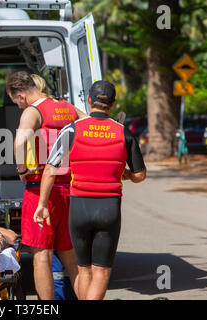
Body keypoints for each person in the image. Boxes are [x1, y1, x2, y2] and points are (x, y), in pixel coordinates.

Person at [34, 80, 147, 300]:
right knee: (101, 271)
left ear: (88, 100)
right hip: (109, 209)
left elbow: (50, 168)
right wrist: (124, 174)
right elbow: (140, 175)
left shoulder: (72, 129)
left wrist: (42, 205)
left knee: (83, 269)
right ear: (113, 104)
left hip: (79, 208)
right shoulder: (123, 133)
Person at [6, 71, 80, 300]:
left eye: (15, 102)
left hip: (40, 190)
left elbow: (19, 143)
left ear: (21, 95)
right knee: (70, 258)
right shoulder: (67, 107)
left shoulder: (32, 111)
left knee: (41, 257)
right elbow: (90, 124)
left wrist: (21, 170)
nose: (18, 106)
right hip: (68, 189)